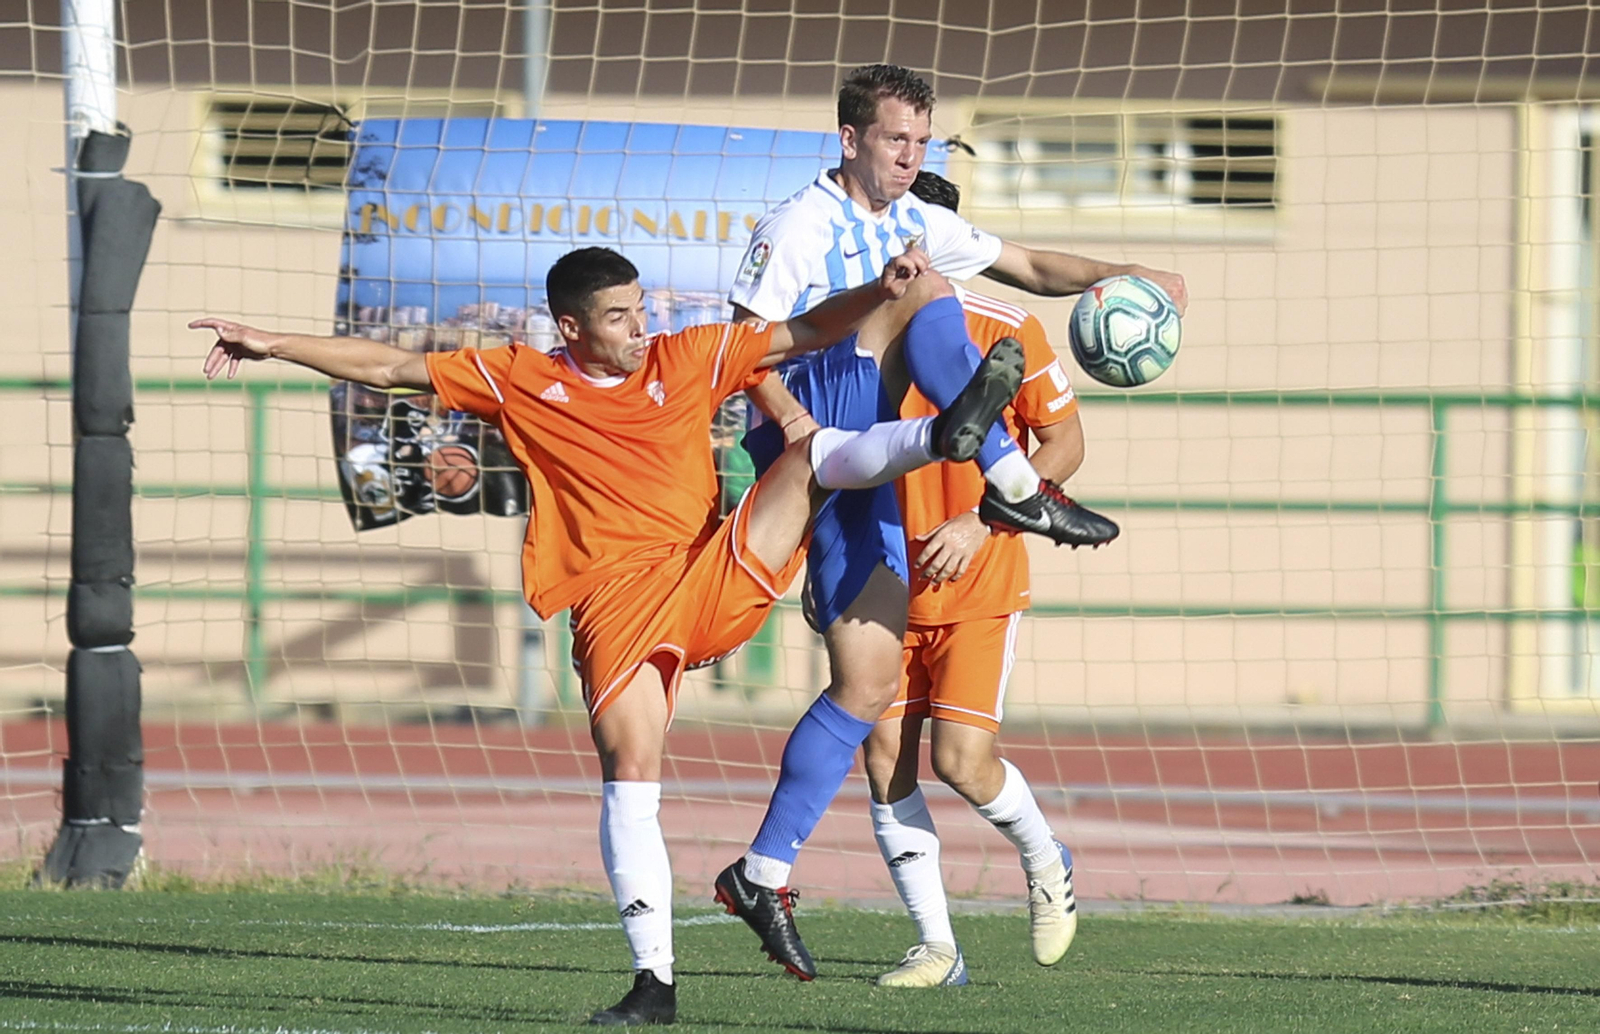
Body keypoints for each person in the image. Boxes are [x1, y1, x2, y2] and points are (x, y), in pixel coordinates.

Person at [191, 245, 1023, 1026]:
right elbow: (392, 366)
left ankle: (939, 437)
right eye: (621, 316)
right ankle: (653, 984)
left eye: (640, 309)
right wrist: (273, 344)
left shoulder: (685, 357)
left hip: (707, 575)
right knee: (631, 770)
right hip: (615, 606)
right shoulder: (520, 378)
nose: (640, 327)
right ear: (571, 328)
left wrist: (880, 294)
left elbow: (802, 332)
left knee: (807, 456)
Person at [717, 62, 1184, 973]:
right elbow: (741, 347)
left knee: (864, 689)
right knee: (923, 290)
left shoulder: (918, 219)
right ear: (849, 138)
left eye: (922, 142)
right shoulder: (799, 225)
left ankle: (762, 872)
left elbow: (1037, 267)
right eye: (896, 139)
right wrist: (794, 419)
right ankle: (1002, 470)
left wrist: (1130, 270)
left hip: (879, 484)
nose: (909, 156)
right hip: (822, 428)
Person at [864, 169, 1086, 989]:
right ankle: (936, 947)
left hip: (978, 576)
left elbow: (1064, 446)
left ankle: (1045, 857)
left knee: (962, 761)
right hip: (877, 578)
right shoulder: (854, 323)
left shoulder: (1006, 324)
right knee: (885, 753)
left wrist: (981, 519)